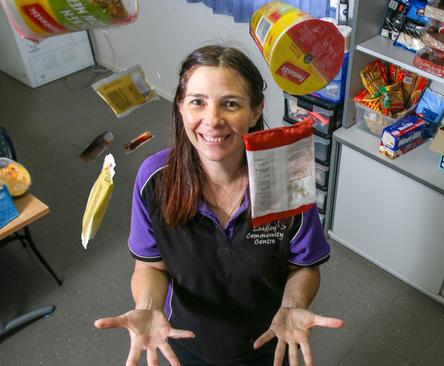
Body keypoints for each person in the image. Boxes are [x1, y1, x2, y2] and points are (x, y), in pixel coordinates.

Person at [94, 45, 343, 366]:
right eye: (198, 102)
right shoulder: (155, 179)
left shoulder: (284, 172)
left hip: (271, 339)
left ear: (255, 111)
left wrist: (293, 305)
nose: (212, 120)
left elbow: (304, 265)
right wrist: (148, 307)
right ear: (181, 108)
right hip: (182, 340)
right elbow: (151, 265)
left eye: (230, 104)